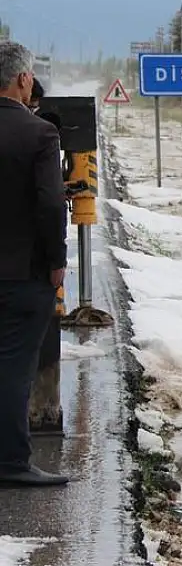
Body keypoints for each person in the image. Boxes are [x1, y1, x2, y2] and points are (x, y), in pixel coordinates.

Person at [0, 41, 69, 487]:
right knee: (12, 370)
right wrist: (57, 262)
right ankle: (11, 463)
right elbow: (49, 205)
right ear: (24, 79)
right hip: (20, 275)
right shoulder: (39, 134)